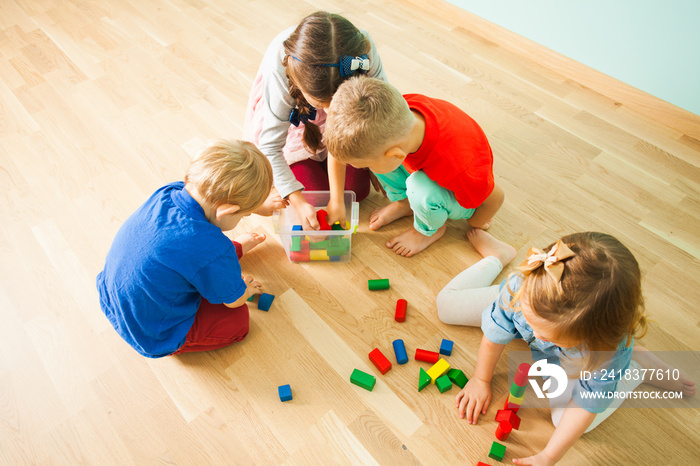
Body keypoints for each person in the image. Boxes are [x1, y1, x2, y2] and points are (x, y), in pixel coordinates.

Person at [436, 230, 696, 465]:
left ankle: (637, 366)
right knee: (446, 305)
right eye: (533, 320)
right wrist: (481, 378)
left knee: (566, 421)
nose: (534, 333)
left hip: (570, 358)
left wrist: (549, 456)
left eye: (549, 334)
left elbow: (587, 402)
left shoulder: (603, 352)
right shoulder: (524, 286)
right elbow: (496, 331)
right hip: (522, 297)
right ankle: (497, 256)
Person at [96, 140, 283, 358]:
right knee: (239, 321)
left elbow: (184, 248)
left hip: (113, 297)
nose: (245, 217)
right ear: (226, 210)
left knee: (194, 255)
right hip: (152, 333)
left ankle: (231, 255)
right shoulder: (212, 248)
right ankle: (176, 344)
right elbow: (234, 301)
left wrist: (254, 204)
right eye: (245, 214)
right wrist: (246, 292)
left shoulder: (169, 191)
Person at [324, 77, 504, 257]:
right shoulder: (391, 115)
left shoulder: (458, 167)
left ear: (396, 155)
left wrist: (476, 222)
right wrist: (337, 199)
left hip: (458, 183)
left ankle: (428, 230)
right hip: (424, 161)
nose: (364, 169)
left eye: (364, 167)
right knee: (375, 157)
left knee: (418, 188)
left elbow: (495, 196)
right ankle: (405, 203)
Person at [244, 11, 387, 230]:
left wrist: (338, 199)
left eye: (335, 103)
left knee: (356, 191)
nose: (330, 113)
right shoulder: (281, 66)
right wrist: (298, 202)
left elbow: (385, 112)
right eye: (323, 104)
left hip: (346, 126)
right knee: (312, 199)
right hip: (299, 125)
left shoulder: (362, 55)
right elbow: (270, 146)